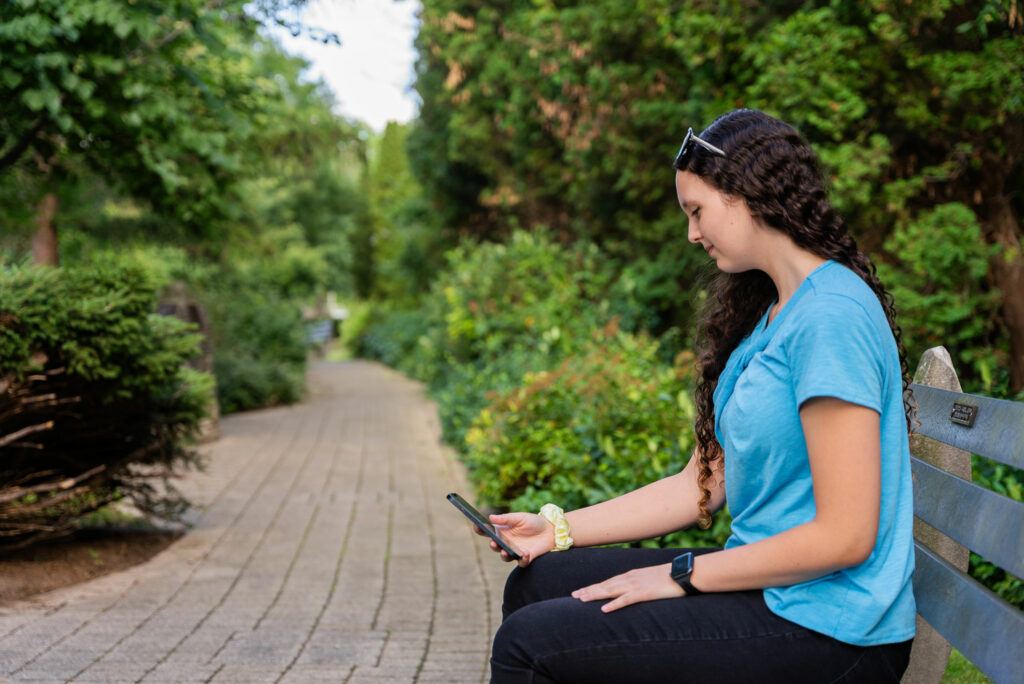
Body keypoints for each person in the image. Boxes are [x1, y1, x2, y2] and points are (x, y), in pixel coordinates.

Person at [477, 109, 917, 683]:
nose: (691, 233)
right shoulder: (776, 313)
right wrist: (555, 529)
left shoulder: (830, 317)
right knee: (537, 583)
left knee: (529, 644)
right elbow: (699, 486)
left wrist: (682, 575)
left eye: (697, 211)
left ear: (748, 195)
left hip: (832, 628)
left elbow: (846, 536)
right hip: (778, 592)